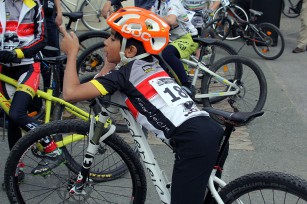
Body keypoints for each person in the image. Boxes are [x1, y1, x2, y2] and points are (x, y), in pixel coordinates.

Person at [60, 7, 223, 203]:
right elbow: (103, 77)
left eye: (112, 38)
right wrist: (113, 56)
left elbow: (70, 93)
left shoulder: (123, 76)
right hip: (207, 129)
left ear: (130, 50)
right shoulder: (153, 62)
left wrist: (71, 54)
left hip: (193, 140)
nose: (105, 41)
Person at [0, 0, 64, 178]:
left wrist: (19, 53)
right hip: (4, 69)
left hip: (28, 66)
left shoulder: (35, 5)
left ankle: (53, 151)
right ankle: (16, 169)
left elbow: (42, 38)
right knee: (13, 120)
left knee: (17, 113)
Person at [151, 0, 200, 96]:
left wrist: (154, 17)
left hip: (189, 37)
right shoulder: (157, 3)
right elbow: (149, 17)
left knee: (167, 53)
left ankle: (186, 85)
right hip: (174, 38)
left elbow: (171, 20)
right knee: (154, 50)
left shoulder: (173, 2)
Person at [41, 0, 63, 89]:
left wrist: (59, 12)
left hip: (48, 16)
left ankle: (56, 89)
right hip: (30, 17)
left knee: (52, 58)